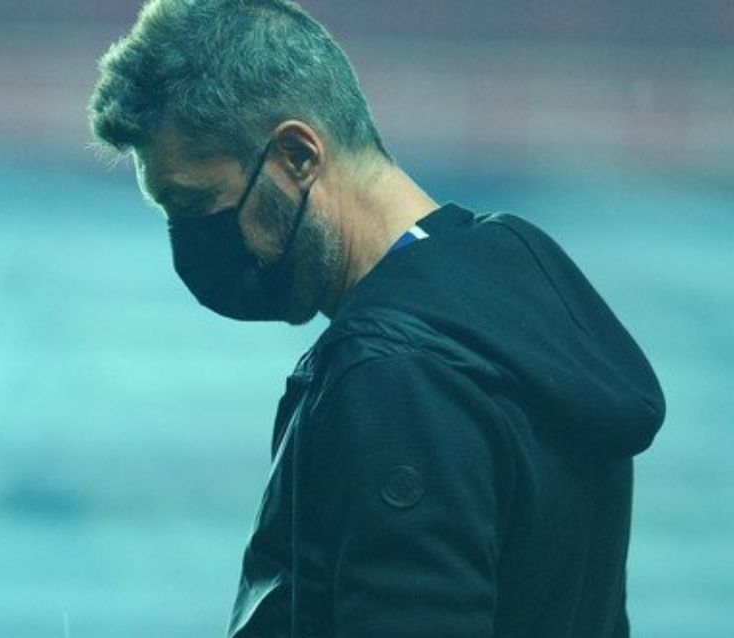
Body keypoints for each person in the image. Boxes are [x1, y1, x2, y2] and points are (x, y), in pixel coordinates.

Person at [87, 1, 666, 636]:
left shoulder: (397, 376)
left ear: (297, 156)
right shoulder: (515, 298)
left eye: (197, 204)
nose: (189, 244)